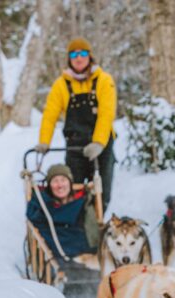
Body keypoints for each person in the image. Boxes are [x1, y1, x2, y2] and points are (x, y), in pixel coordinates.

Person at [35, 37, 117, 211]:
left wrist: (99, 143)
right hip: (75, 146)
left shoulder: (104, 80)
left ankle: (96, 226)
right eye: (74, 54)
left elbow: (106, 114)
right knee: (73, 192)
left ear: (89, 56)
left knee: (102, 194)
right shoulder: (61, 85)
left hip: (101, 147)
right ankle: (76, 231)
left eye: (82, 53)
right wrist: (44, 141)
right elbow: (50, 115)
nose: (78, 58)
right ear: (69, 58)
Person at [26, 164, 99, 259]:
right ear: (49, 186)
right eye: (55, 181)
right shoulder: (42, 204)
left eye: (63, 180)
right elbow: (33, 217)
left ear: (70, 183)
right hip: (56, 255)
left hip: (84, 254)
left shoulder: (83, 204)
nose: (60, 185)